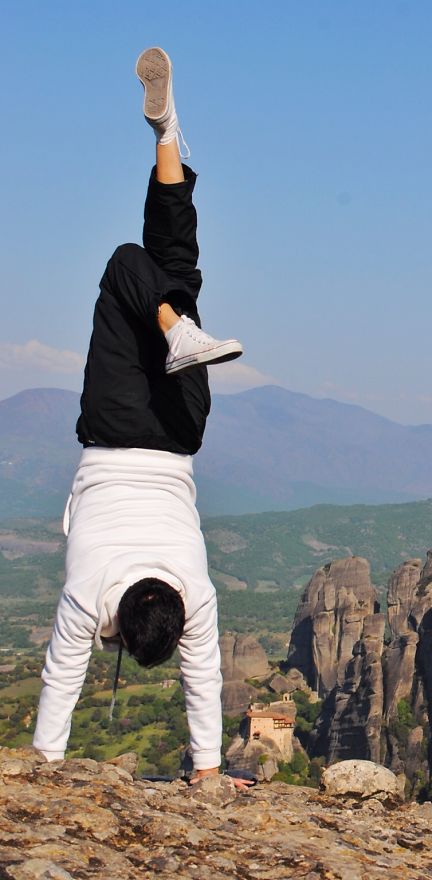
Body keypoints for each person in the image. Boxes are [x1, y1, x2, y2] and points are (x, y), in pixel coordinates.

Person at [33, 47, 249, 789]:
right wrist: (45, 763)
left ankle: (168, 134)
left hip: (181, 433)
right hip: (123, 427)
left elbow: (201, 679)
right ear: (123, 624)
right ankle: (173, 324)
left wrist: (208, 767)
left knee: (164, 271)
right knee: (131, 265)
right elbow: (61, 677)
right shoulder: (91, 592)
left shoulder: (194, 594)